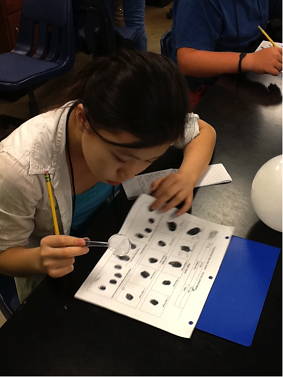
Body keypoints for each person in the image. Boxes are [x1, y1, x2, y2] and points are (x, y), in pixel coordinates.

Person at [0, 50, 216, 303]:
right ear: (83, 120)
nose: (131, 172)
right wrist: (39, 259)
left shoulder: (145, 129)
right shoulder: (19, 168)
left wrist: (187, 177)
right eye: (121, 159)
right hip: (60, 279)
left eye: (150, 160)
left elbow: (203, 130)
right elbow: (5, 255)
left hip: (110, 230)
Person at [171, 0, 282, 106]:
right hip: (205, 89)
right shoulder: (198, 3)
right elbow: (187, 60)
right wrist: (250, 60)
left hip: (243, 78)